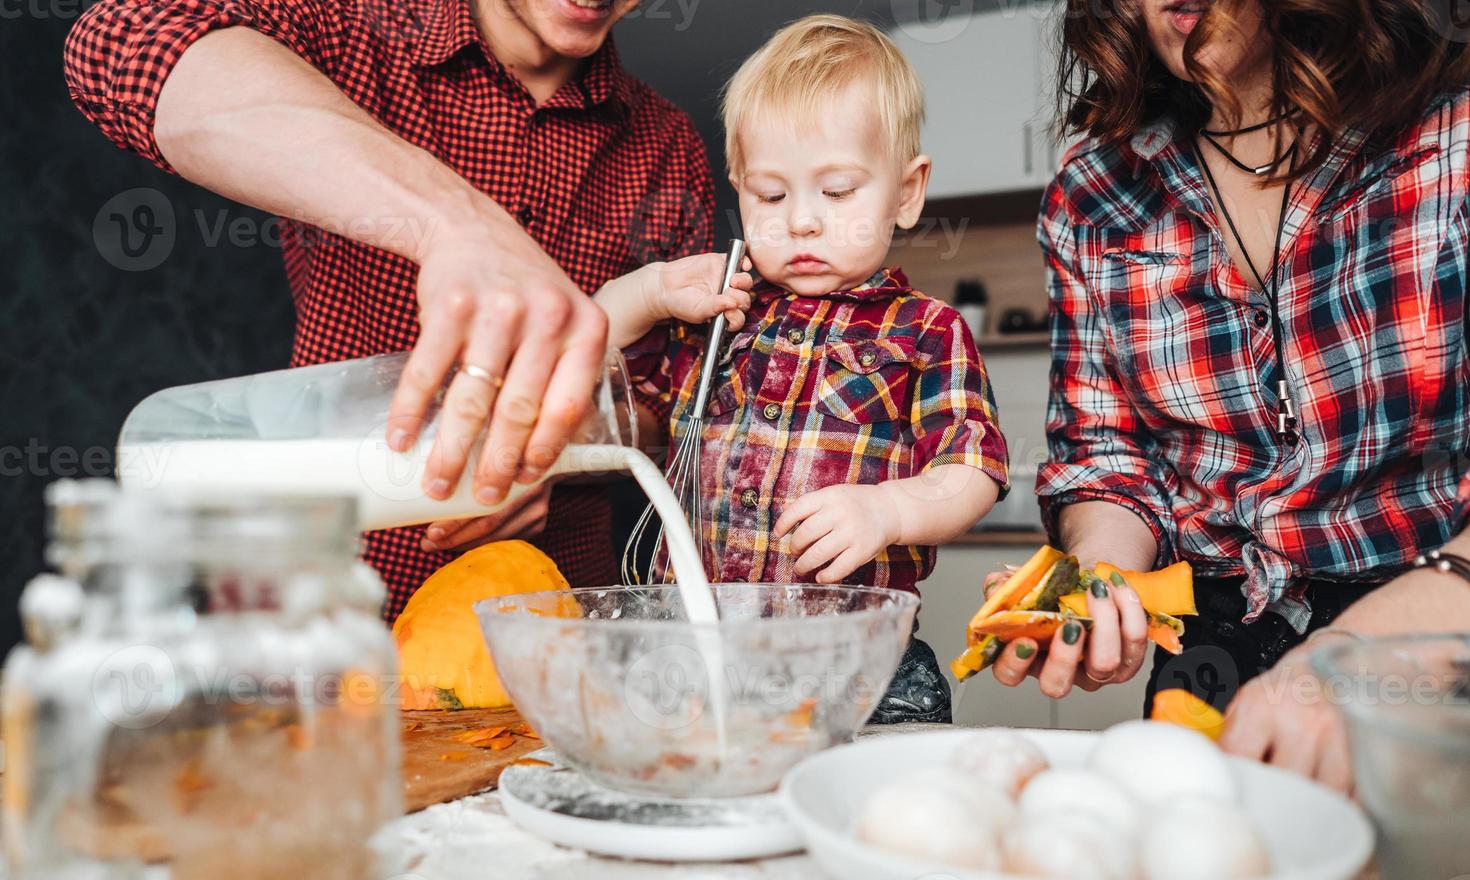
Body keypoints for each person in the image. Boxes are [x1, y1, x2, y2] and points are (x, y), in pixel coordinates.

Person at [64, 0, 714, 619]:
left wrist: (556, 446)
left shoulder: (666, 145)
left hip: (556, 622)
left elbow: (670, 412)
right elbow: (123, 37)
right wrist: (455, 223)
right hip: (324, 604)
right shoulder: (352, 32)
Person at [987, 0, 1470, 789]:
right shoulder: (1095, 193)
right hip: (1212, 649)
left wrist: (1376, 647)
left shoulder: (1449, 136)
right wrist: (1100, 580)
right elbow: (1105, 456)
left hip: (1436, 625)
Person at [601, 15, 1010, 724]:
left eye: (839, 191)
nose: (802, 222)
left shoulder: (926, 331)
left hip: (860, 666)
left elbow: (974, 471)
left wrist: (887, 509)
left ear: (906, 192)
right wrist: (650, 289)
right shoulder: (717, 318)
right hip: (694, 656)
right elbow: (595, 345)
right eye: (771, 195)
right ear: (739, 190)